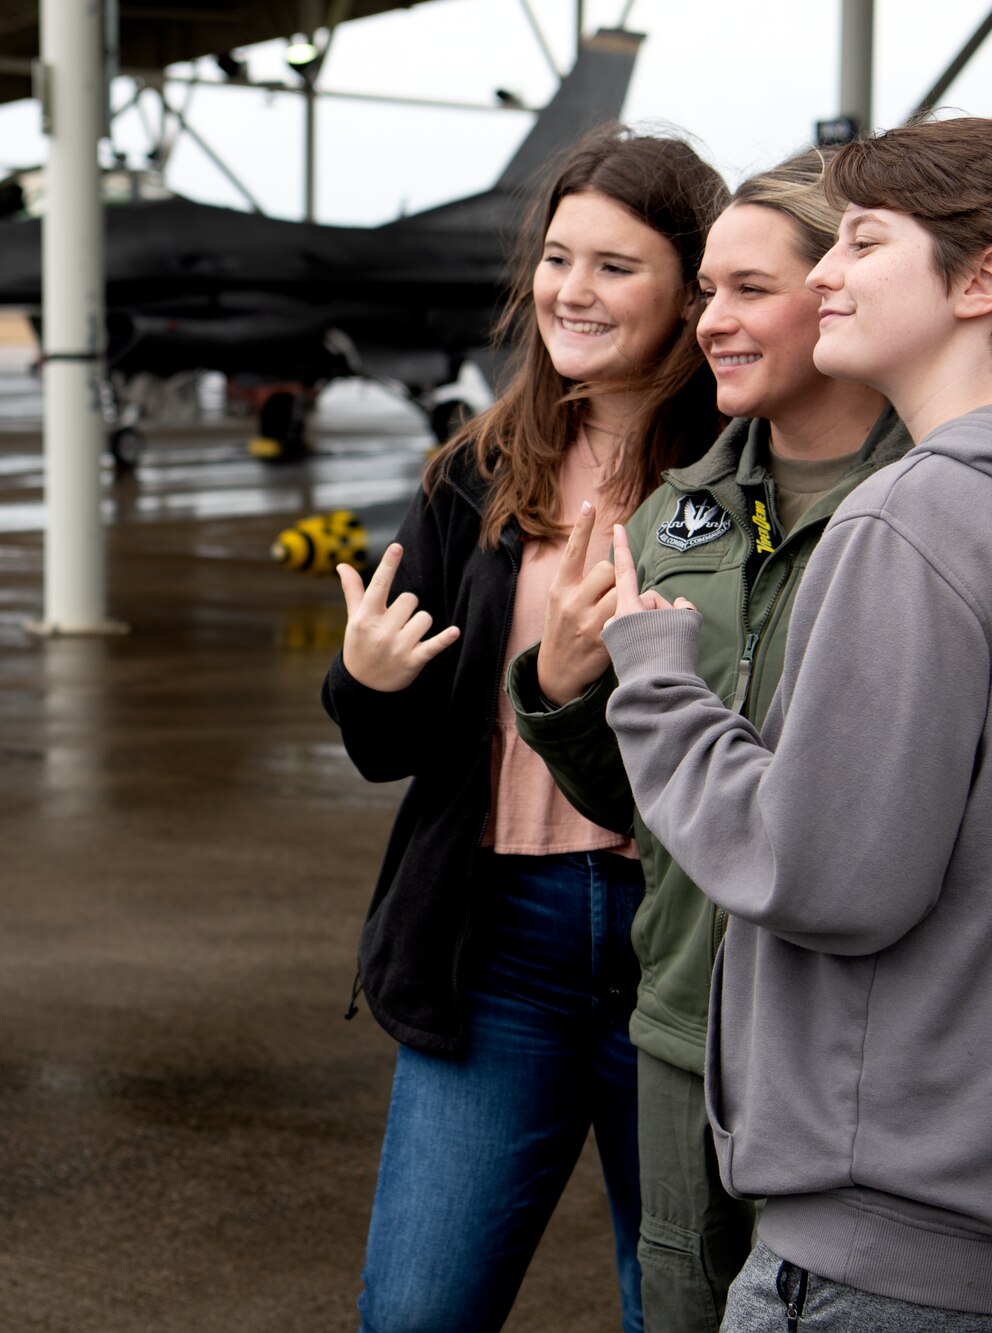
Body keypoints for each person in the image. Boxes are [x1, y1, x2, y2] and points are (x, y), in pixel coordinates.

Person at [510, 148, 992, 1331]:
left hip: (901, 1154)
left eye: (854, 246)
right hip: (850, 1087)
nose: (822, 280)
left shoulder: (914, 512)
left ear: (980, 282)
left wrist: (655, 685)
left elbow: (824, 870)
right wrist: (565, 691)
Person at [320, 125, 723, 1333]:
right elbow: (383, 748)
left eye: (615, 265)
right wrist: (367, 678)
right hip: (497, 941)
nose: (571, 291)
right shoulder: (479, 469)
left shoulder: (739, 472)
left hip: (680, 946)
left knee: (680, 1310)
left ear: (690, 289)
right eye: (557, 258)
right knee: (415, 1310)